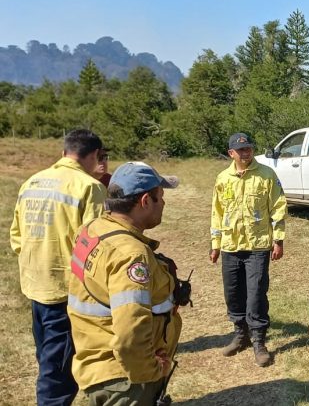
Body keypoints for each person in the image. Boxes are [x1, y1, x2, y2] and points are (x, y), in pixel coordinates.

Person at [67, 162, 182, 405]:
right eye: (160, 197)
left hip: (95, 360)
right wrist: (151, 370)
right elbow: (131, 332)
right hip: (125, 381)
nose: (163, 203)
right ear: (144, 201)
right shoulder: (131, 255)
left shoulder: (92, 229)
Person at [9, 129, 107, 406]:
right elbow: (97, 246)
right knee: (58, 373)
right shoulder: (89, 187)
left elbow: (17, 236)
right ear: (94, 155)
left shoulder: (32, 182)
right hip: (66, 292)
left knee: (47, 357)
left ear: (65, 152)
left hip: (35, 285)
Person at [210, 132, 287, 367]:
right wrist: (215, 244)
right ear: (231, 153)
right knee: (233, 293)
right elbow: (217, 213)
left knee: (255, 294)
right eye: (240, 150)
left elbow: (278, 207)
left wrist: (279, 240)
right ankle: (240, 335)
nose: (246, 153)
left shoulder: (266, 175)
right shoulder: (223, 178)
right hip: (230, 246)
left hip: (258, 245)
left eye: (248, 149)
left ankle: (258, 341)